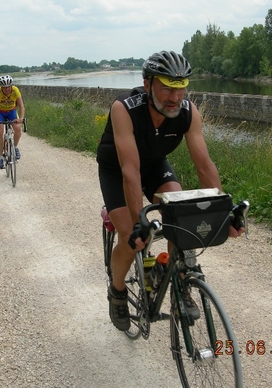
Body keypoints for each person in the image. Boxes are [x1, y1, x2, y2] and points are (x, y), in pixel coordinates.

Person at [96, 50, 244, 331]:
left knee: (179, 215)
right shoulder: (124, 109)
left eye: (181, 88)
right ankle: (117, 291)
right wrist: (140, 219)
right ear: (148, 83)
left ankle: (178, 283)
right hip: (117, 170)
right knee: (131, 238)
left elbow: (204, 164)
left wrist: (223, 209)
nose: (175, 97)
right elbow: (130, 171)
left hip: (154, 165)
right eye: (166, 88)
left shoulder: (188, 112)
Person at [0, 75, 25, 169]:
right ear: (1, 87)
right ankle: (0, 158)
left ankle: (14, 147)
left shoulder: (15, 90)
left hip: (11, 111)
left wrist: (21, 118)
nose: (7, 89)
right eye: (4, 87)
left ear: (11, 85)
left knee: (18, 128)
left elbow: (21, 106)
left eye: (8, 86)